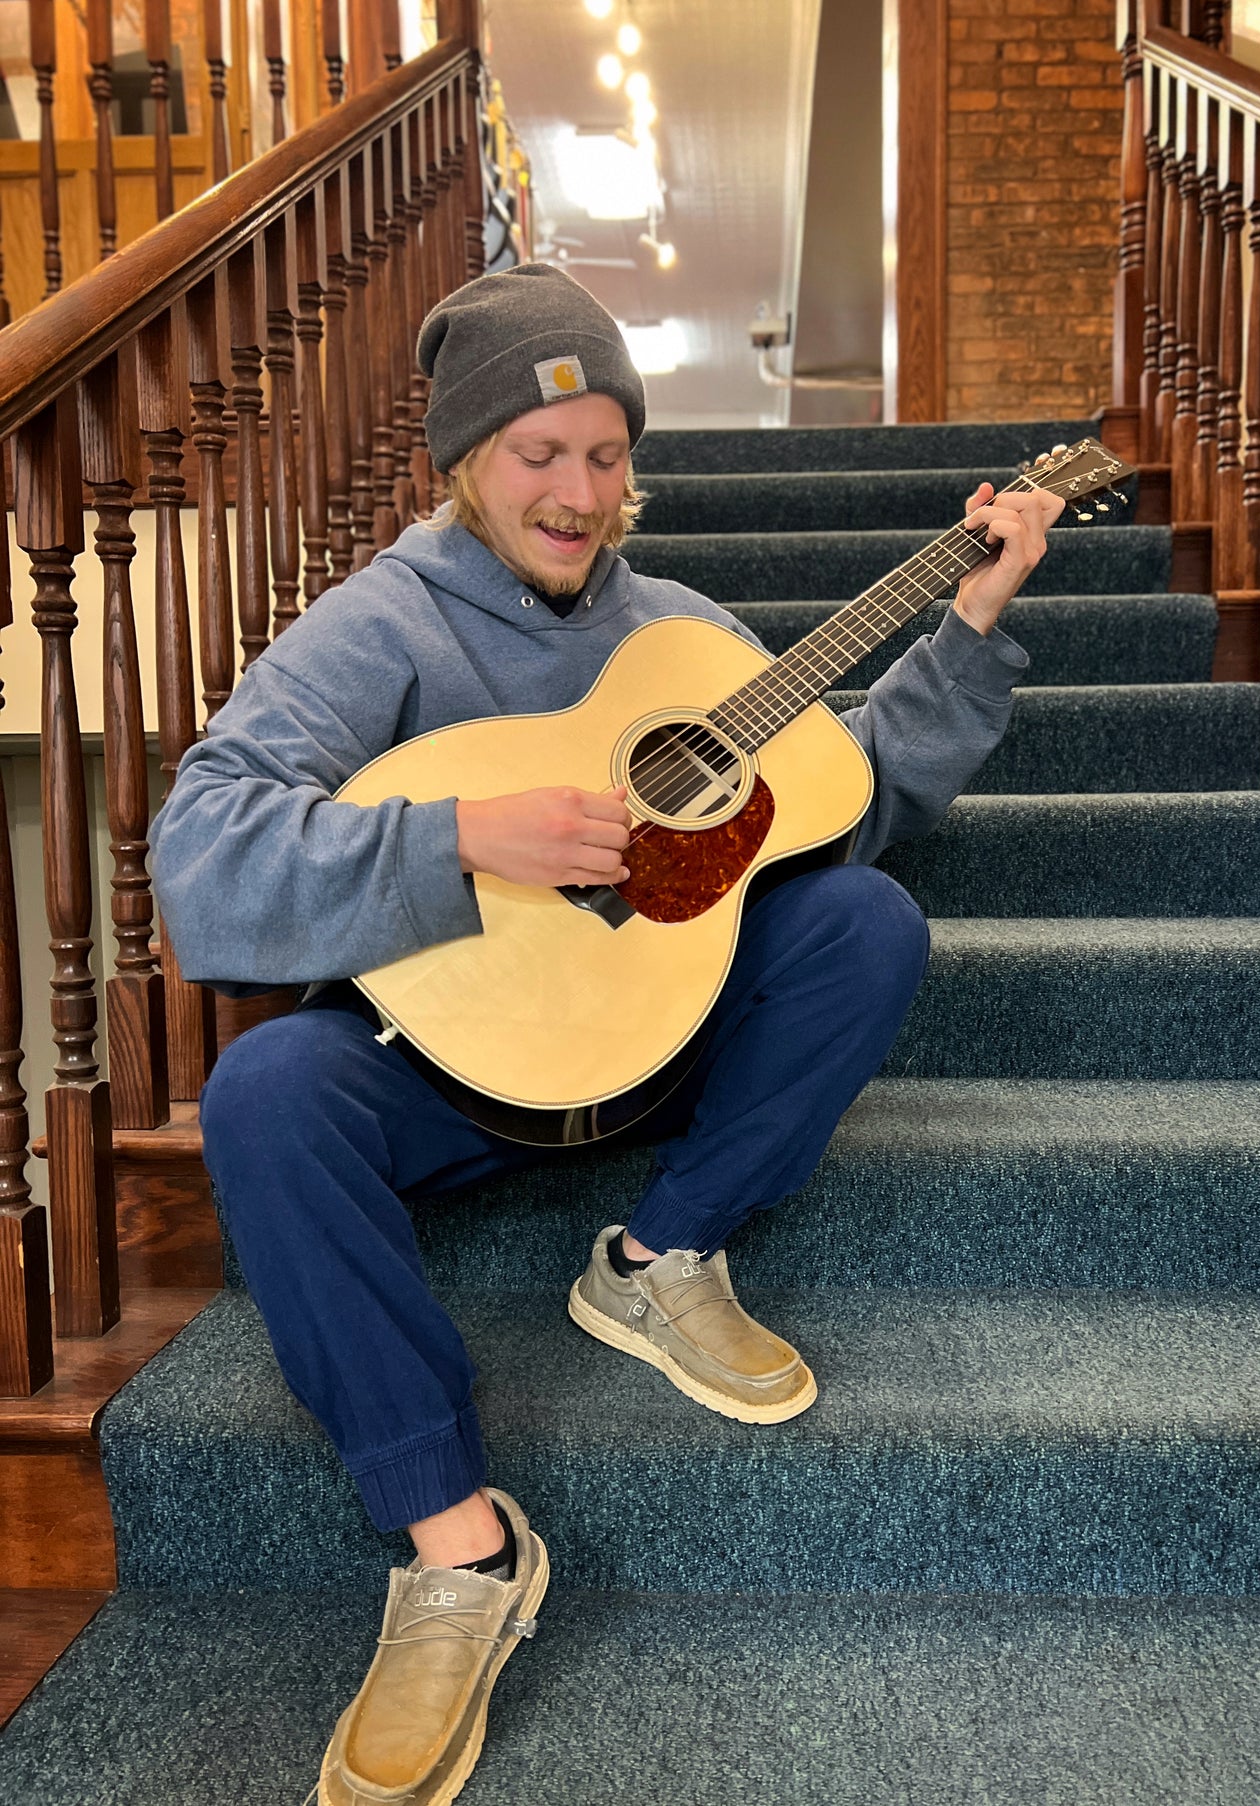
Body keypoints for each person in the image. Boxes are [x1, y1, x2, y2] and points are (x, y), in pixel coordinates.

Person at [150, 263, 1063, 1806]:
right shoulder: (376, 624)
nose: (578, 491)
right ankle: (461, 1549)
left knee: (862, 921)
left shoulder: (686, 638)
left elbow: (853, 804)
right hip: (456, 1065)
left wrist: (969, 616)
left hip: (657, 1038)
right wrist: (459, 835)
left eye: (605, 450)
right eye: (535, 451)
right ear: (463, 460)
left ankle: (658, 1259)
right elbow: (204, 859)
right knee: (263, 1091)